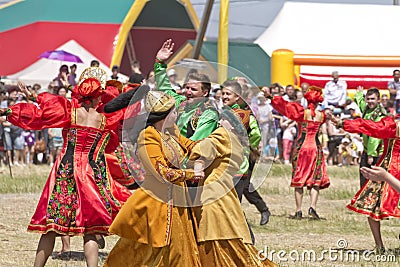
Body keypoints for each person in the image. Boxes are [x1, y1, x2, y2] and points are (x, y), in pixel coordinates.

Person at [0, 67, 130, 267]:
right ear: (97, 97)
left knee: (51, 226)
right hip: (92, 174)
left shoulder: (70, 113)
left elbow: (41, 114)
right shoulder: (106, 119)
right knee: (90, 230)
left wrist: (11, 110)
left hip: (66, 172)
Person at [103, 90, 203, 267]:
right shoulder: (148, 136)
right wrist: (190, 173)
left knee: (177, 250)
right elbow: (162, 173)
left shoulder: (171, 131)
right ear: (163, 116)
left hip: (177, 199)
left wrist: (214, 145)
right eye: (174, 111)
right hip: (156, 201)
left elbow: (190, 145)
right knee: (141, 251)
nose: (176, 114)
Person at [187, 108, 276, 267]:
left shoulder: (222, 136)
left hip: (212, 190)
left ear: (234, 125)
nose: (219, 122)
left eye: (223, 120)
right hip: (227, 192)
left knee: (211, 231)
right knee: (231, 230)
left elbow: (201, 150)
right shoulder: (239, 142)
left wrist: (198, 165)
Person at [329, 113, 400, 253]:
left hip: (387, 167)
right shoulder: (393, 123)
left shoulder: (393, 124)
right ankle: (379, 246)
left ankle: (379, 246)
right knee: (373, 205)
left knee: (371, 205)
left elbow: (369, 127)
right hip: (386, 168)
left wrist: (342, 123)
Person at [264, 86, 330, 219]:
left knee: (299, 177)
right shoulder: (322, 116)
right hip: (315, 148)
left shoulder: (302, 113)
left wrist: (272, 97)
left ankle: (298, 210)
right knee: (315, 178)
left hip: (301, 148)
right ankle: (312, 207)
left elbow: (286, 107)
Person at [222, 79, 271, 226]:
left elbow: (255, 133)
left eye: (228, 93)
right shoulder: (226, 110)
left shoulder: (246, 110)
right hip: (231, 158)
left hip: (244, 156)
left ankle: (261, 212)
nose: (224, 96)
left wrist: (249, 147)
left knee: (244, 186)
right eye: (223, 93)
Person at [353, 86, 386, 187]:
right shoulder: (367, 109)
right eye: (368, 99)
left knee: (374, 182)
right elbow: (360, 103)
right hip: (367, 150)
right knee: (363, 179)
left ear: (378, 100)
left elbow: (375, 137)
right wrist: (359, 94)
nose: (370, 101)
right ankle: (363, 201)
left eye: (373, 99)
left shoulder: (379, 115)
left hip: (376, 153)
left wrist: (371, 154)